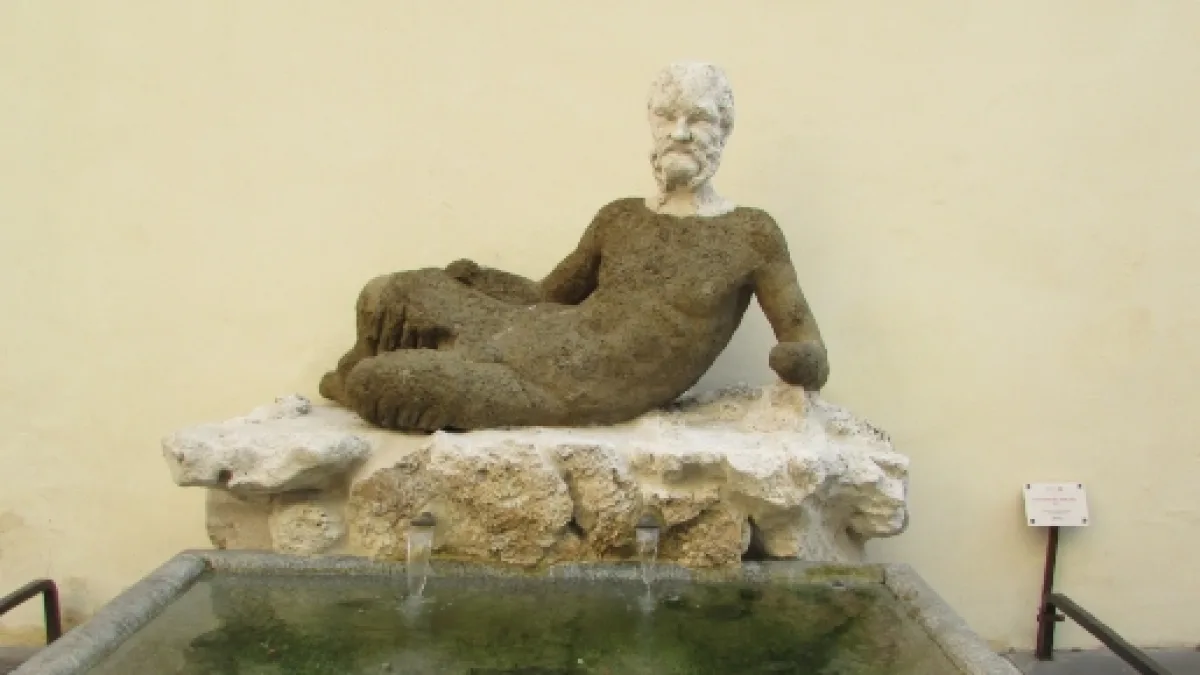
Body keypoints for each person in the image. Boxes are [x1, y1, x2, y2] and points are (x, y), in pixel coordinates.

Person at [319, 62, 828, 432]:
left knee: (377, 383)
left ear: (724, 128)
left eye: (698, 119)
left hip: (565, 390)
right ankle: (364, 359)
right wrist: (479, 280)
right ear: (651, 123)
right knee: (395, 289)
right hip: (537, 332)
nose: (680, 133)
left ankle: (361, 379)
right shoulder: (620, 216)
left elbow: (806, 342)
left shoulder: (751, 233)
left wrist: (800, 361)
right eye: (667, 117)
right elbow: (548, 294)